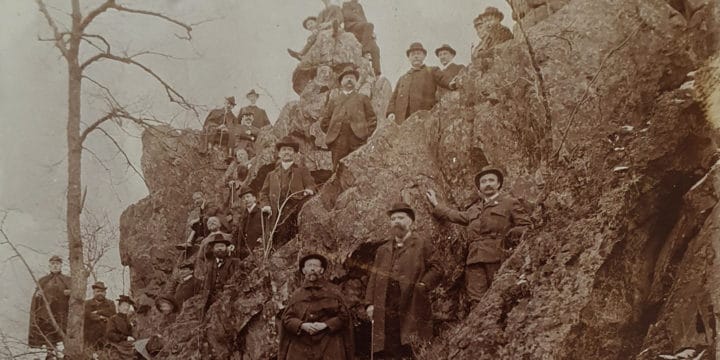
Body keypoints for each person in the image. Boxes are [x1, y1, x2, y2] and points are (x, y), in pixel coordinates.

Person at [425, 166, 531, 302]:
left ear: (498, 184)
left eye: (491, 180)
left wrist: (509, 238)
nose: (487, 184)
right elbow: (453, 215)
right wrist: (436, 204)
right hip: (474, 261)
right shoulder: (474, 210)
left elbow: (526, 226)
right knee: (476, 301)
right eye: (484, 181)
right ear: (479, 187)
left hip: (498, 258)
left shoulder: (509, 203)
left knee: (501, 297)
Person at [364, 203, 443, 359]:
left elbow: (438, 268)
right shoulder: (383, 249)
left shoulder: (422, 244)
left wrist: (423, 286)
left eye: (401, 218)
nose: (396, 222)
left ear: (411, 222)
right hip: (385, 303)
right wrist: (369, 303)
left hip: (411, 301)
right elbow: (374, 277)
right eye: (393, 219)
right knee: (386, 345)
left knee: (410, 343)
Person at [278, 253, 354, 360]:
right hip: (302, 340)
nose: (312, 269)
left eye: (315, 266)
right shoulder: (297, 294)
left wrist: (325, 325)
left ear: (321, 270)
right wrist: (302, 325)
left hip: (329, 339)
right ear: (304, 271)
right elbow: (287, 319)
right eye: (309, 266)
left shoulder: (334, 291)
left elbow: (344, 317)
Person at [259, 136, 316, 247]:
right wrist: (266, 205)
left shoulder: (302, 171)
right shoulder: (271, 175)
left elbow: (311, 183)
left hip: (294, 212)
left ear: (294, 153)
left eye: (290, 150)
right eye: (284, 150)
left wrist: (309, 190)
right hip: (275, 214)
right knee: (275, 242)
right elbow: (263, 193)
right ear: (279, 154)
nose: (287, 152)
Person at [320, 65, 377, 167]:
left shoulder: (362, 98)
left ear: (356, 82)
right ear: (341, 82)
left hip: (358, 139)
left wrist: (365, 133)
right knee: (337, 169)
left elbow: (372, 119)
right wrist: (334, 132)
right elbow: (324, 121)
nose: (349, 80)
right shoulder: (334, 100)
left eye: (352, 78)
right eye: (346, 78)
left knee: (358, 168)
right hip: (338, 141)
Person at [386, 42, 455, 124]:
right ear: (409, 57)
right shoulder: (403, 78)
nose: (416, 56)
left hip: (423, 120)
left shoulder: (432, 71)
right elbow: (393, 98)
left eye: (418, 54)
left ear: (424, 56)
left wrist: (451, 83)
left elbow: (443, 78)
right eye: (413, 54)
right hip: (402, 122)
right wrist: (390, 112)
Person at [27, 255, 71, 353]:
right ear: (49, 266)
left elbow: (76, 297)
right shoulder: (43, 280)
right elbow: (36, 299)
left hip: (63, 314)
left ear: (61, 265)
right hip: (47, 315)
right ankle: (50, 354)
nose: (55, 266)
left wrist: (70, 293)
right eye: (53, 264)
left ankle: (67, 354)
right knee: (49, 336)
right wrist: (38, 295)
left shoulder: (68, 280)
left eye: (57, 264)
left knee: (65, 336)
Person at [342, 0, 382, 75]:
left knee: (375, 48)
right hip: (352, 28)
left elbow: (364, 19)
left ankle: (377, 73)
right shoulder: (346, 4)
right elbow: (348, 15)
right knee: (369, 25)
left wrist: (371, 33)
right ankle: (363, 50)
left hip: (362, 31)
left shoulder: (359, 6)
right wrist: (362, 22)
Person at [203, 235, 242, 309]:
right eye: (217, 246)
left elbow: (237, 281)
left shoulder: (235, 262)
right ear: (213, 249)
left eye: (222, 246)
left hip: (228, 297)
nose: (220, 248)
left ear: (226, 248)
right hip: (211, 298)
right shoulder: (209, 264)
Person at [84, 281, 116, 349]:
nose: (100, 293)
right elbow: (87, 315)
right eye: (98, 291)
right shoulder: (87, 303)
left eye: (102, 291)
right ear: (94, 292)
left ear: (105, 293)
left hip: (106, 335)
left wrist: (98, 312)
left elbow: (112, 313)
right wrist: (100, 317)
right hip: (91, 337)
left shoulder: (110, 303)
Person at [236, 186, 265, 258]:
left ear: (254, 198)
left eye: (248, 197)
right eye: (243, 198)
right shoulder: (243, 216)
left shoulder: (261, 213)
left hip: (257, 251)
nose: (246, 200)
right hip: (244, 252)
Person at [106, 295, 137, 360]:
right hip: (116, 346)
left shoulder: (130, 319)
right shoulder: (112, 319)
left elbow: (134, 335)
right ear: (118, 307)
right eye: (124, 305)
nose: (126, 308)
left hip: (129, 346)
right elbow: (110, 334)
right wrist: (125, 338)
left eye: (128, 306)